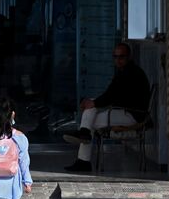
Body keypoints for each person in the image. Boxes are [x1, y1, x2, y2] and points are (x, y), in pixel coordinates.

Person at [62, 42, 151, 172]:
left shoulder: (130, 73)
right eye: (115, 57)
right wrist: (94, 103)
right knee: (91, 111)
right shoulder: (125, 72)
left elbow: (112, 95)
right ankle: (84, 135)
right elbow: (111, 94)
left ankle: (84, 152)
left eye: (121, 57)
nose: (118, 60)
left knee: (90, 119)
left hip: (132, 115)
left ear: (129, 57)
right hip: (125, 112)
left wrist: (94, 103)